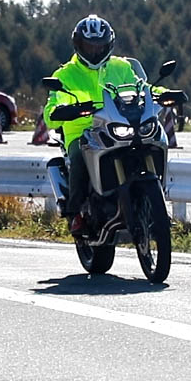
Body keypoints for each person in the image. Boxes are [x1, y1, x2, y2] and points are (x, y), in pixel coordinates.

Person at [43, 14, 142, 234]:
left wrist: (164, 95)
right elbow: (50, 112)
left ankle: (151, 204)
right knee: (79, 156)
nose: (95, 51)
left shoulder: (121, 67)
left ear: (109, 44)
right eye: (89, 46)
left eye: (100, 46)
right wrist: (65, 110)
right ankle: (76, 212)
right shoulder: (65, 74)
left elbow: (141, 87)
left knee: (143, 145)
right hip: (82, 131)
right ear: (78, 45)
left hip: (117, 126)